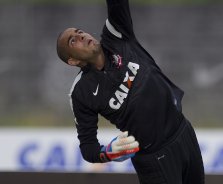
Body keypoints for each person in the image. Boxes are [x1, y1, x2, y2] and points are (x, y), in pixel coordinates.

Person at [56, 0, 205, 183]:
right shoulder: (81, 92)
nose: (82, 36)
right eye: (73, 40)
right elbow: (88, 148)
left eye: (80, 32)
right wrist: (108, 153)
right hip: (154, 158)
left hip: (183, 131)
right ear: (72, 61)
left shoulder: (116, 35)